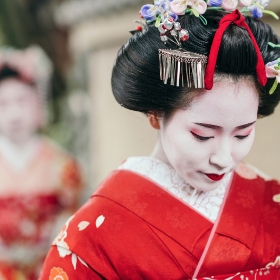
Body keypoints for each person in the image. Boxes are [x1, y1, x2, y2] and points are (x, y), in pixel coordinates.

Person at [39, 1, 280, 279]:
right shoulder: (91, 238)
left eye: (243, 133)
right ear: (155, 114)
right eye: (202, 135)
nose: (224, 158)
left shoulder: (270, 203)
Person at [0, 46, 84, 280]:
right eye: (3, 103)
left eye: (22, 101)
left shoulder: (63, 165)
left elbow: (70, 223)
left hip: (48, 268)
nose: (14, 113)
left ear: (38, 102)